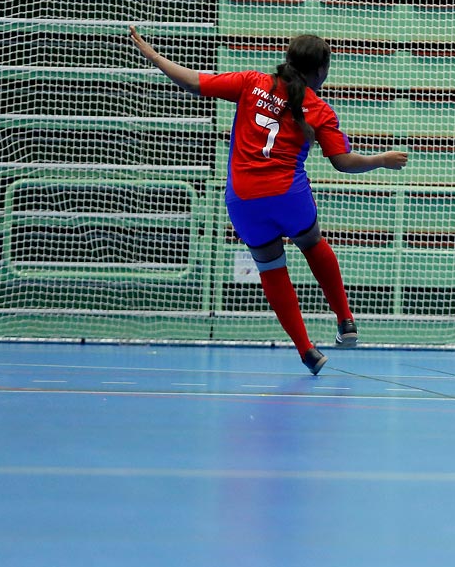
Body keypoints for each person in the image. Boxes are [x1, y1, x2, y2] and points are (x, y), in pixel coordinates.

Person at [129, 28, 408, 375]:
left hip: (244, 201)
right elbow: (342, 162)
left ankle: (307, 350)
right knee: (311, 242)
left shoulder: (251, 83)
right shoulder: (319, 109)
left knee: (272, 268)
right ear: (320, 72)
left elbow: (195, 83)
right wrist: (381, 159)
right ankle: (345, 319)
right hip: (289, 195)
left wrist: (154, 56)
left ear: (288, 60)